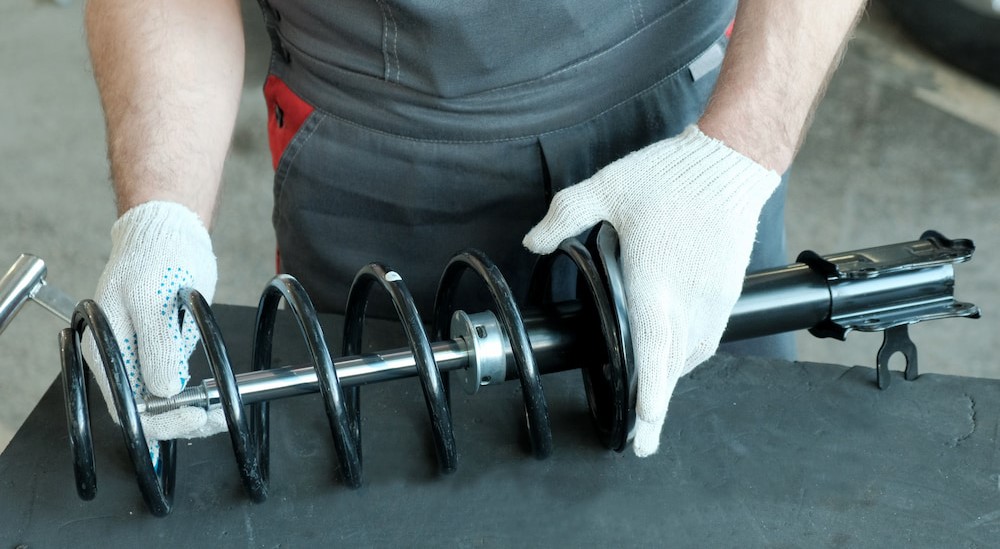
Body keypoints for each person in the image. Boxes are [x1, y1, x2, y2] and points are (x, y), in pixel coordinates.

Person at [82, 0, 867, 463]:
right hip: (379, 173)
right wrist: (162, 212)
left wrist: (737, 156)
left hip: (685, 156)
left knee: (729, 491)